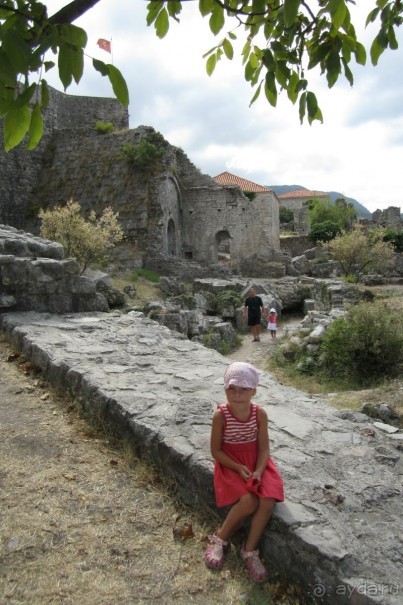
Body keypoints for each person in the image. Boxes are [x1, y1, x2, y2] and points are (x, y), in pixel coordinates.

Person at [204, 362, 284, 582]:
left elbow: (264, 448)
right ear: (225, 389)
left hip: (257, 462)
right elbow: (216, 451)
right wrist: (238, 468)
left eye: (244, 389)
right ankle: (221, 538)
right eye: (232, 388)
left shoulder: (260, 414)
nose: (237, 394)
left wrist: (258, 470)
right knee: (249, 501)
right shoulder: (221, 415)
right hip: (231, 463)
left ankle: (249, 550)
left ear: (254, 391)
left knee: (267, 501)